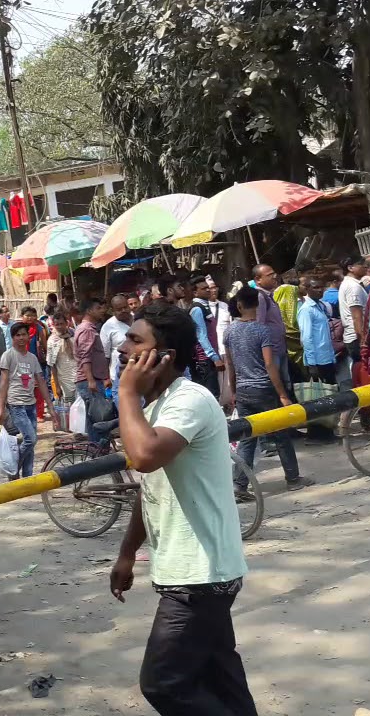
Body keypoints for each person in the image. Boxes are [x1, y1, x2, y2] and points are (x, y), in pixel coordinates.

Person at [108, 302, 256, 715]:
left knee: (163, 683)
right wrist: (126, 554)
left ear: (164, 356)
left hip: (201, 574)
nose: (123, 347)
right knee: (218, 674)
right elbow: (150, 486)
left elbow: (145, 457)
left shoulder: (189, 400)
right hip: (186, 569)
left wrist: (125, 391)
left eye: (136, 340)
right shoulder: (151, 408)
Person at [224, 287, 313, 492]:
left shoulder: (229, 332)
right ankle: (293, 478)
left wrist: (234, 391)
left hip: (244, 390)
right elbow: (270, 364)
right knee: (281, 435)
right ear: (258, 304)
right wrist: (282, 394)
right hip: (264, 389)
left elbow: (231, 364)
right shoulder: (261, 331)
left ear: (239, 305)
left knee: (247, 439)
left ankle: (239, 485)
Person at [0, 321, 53, 479]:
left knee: (31, 444)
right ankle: (14, 469)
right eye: (18, 335)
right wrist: (1, 410)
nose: (21, 338)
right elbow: (4, 382)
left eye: (24, 334)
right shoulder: (8, 356)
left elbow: (41, 381)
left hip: (31, 404)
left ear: (29, 336)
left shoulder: (32, 358)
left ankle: (27, 477)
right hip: (16, 404)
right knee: (30, 439)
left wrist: (51, 407)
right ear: (13, 338)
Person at [297, 277, 339, 443]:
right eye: (316, 287)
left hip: (327, 357)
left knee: (329, 395)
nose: (320, 290)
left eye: (322, 287)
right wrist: (312, 363)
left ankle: (327, 431)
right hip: (317, 360)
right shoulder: (307, 309)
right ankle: (317, 433)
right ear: (308, 289)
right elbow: (306, 338)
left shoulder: (320, 307)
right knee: (317, 397)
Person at [186, 279, 224, 399]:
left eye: (208, 287)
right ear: (195, 293)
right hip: (204, 360)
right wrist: (214, 357)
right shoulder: (197, 309)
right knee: (211, 395)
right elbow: (201, 336)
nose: (208, 290)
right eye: (203, 288)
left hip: (208, 358)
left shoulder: (204, 306)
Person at [339, 257, 370, 385]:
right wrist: (363, 341)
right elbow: (356, 316)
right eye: (361, 264)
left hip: (354, 336)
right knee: (365, 372)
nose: (365, 267)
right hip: (357, 337)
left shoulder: (352, 284)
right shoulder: (353, 287)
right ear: (350, 268)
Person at [74, 298, 112, 402]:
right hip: (88, 381)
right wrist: (90, 380)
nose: (102, 310)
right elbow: (85, 357)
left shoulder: (89, 328)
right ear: (89, 311)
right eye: (98, 308)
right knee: (96, 415)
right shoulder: (87, 330)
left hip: (95, 379)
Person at [100, 295, 133, 397]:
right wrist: (106, 378)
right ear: (113, 311)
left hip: (140, 371)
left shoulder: (139, 318)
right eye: (119, 309)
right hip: (118, 375)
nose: (123, 311)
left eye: (125, 307)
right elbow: (105, 355)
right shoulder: (108, 327)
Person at [46, 311, 78, 401]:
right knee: (69, 405)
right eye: (57, 324)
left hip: (78, 374)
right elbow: (52, 365)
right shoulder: (52, 341)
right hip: (64, 378)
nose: (59, 326)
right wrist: (57, 386)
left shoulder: (74, 335)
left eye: (61, 324)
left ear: (66, 323)